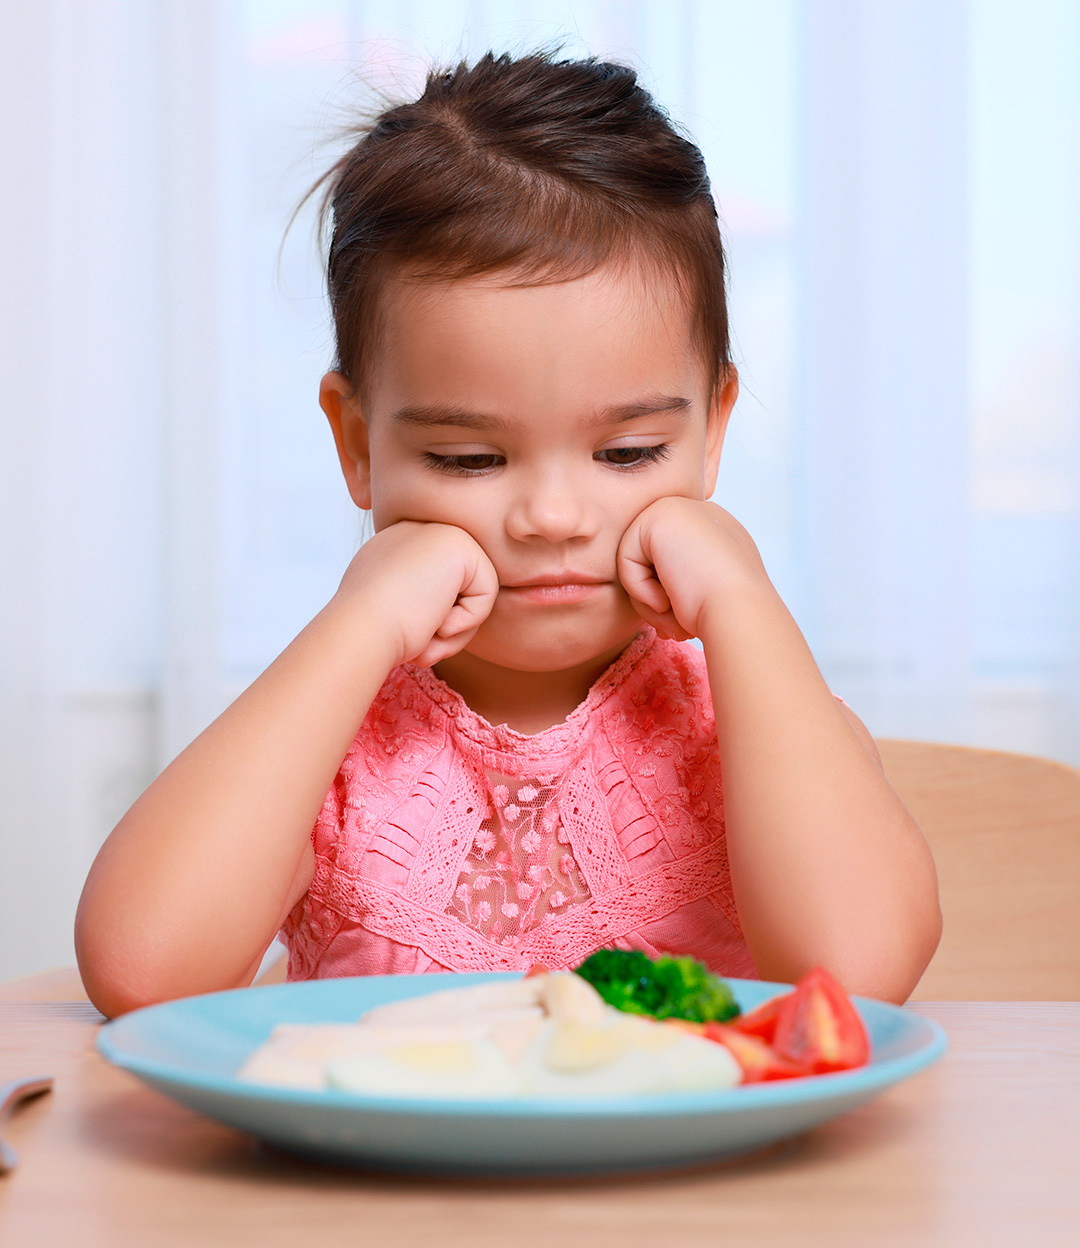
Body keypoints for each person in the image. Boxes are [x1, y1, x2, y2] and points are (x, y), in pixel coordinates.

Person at [75, 51, 941, 1019]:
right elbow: (142, 970)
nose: (553, 518)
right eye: (470, 459)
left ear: (712, 431)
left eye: (629, 452)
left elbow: (856, 977)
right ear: (358, 445)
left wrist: (745, 604)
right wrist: (358, 624)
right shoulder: (328, 731)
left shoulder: (748, 714)